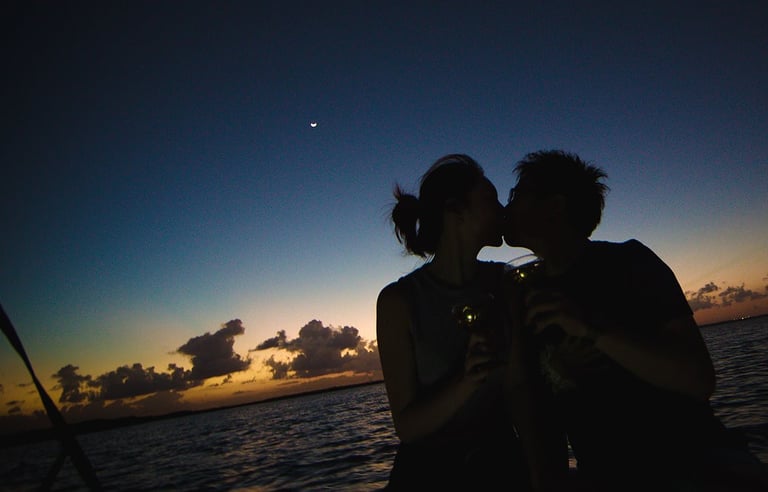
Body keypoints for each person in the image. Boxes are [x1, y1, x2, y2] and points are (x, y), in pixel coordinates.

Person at [502, 149, 768, 491]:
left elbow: (698, 379)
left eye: (517, 194)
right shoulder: (522, 293)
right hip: (606, 475)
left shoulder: (629, 263)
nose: (508, 206)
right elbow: (537, 406)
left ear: (554, 206)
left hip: (695, 461)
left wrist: (592, 330)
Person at [376, 154, 562, 490]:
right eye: (490, 199)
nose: (503, 209)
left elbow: (518, 386)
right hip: (429, 474)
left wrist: (539, 475)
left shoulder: (506, 282)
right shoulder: (397, 302)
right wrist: (467, 381)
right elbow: (407, 426)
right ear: (455, 211)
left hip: (500, 464)